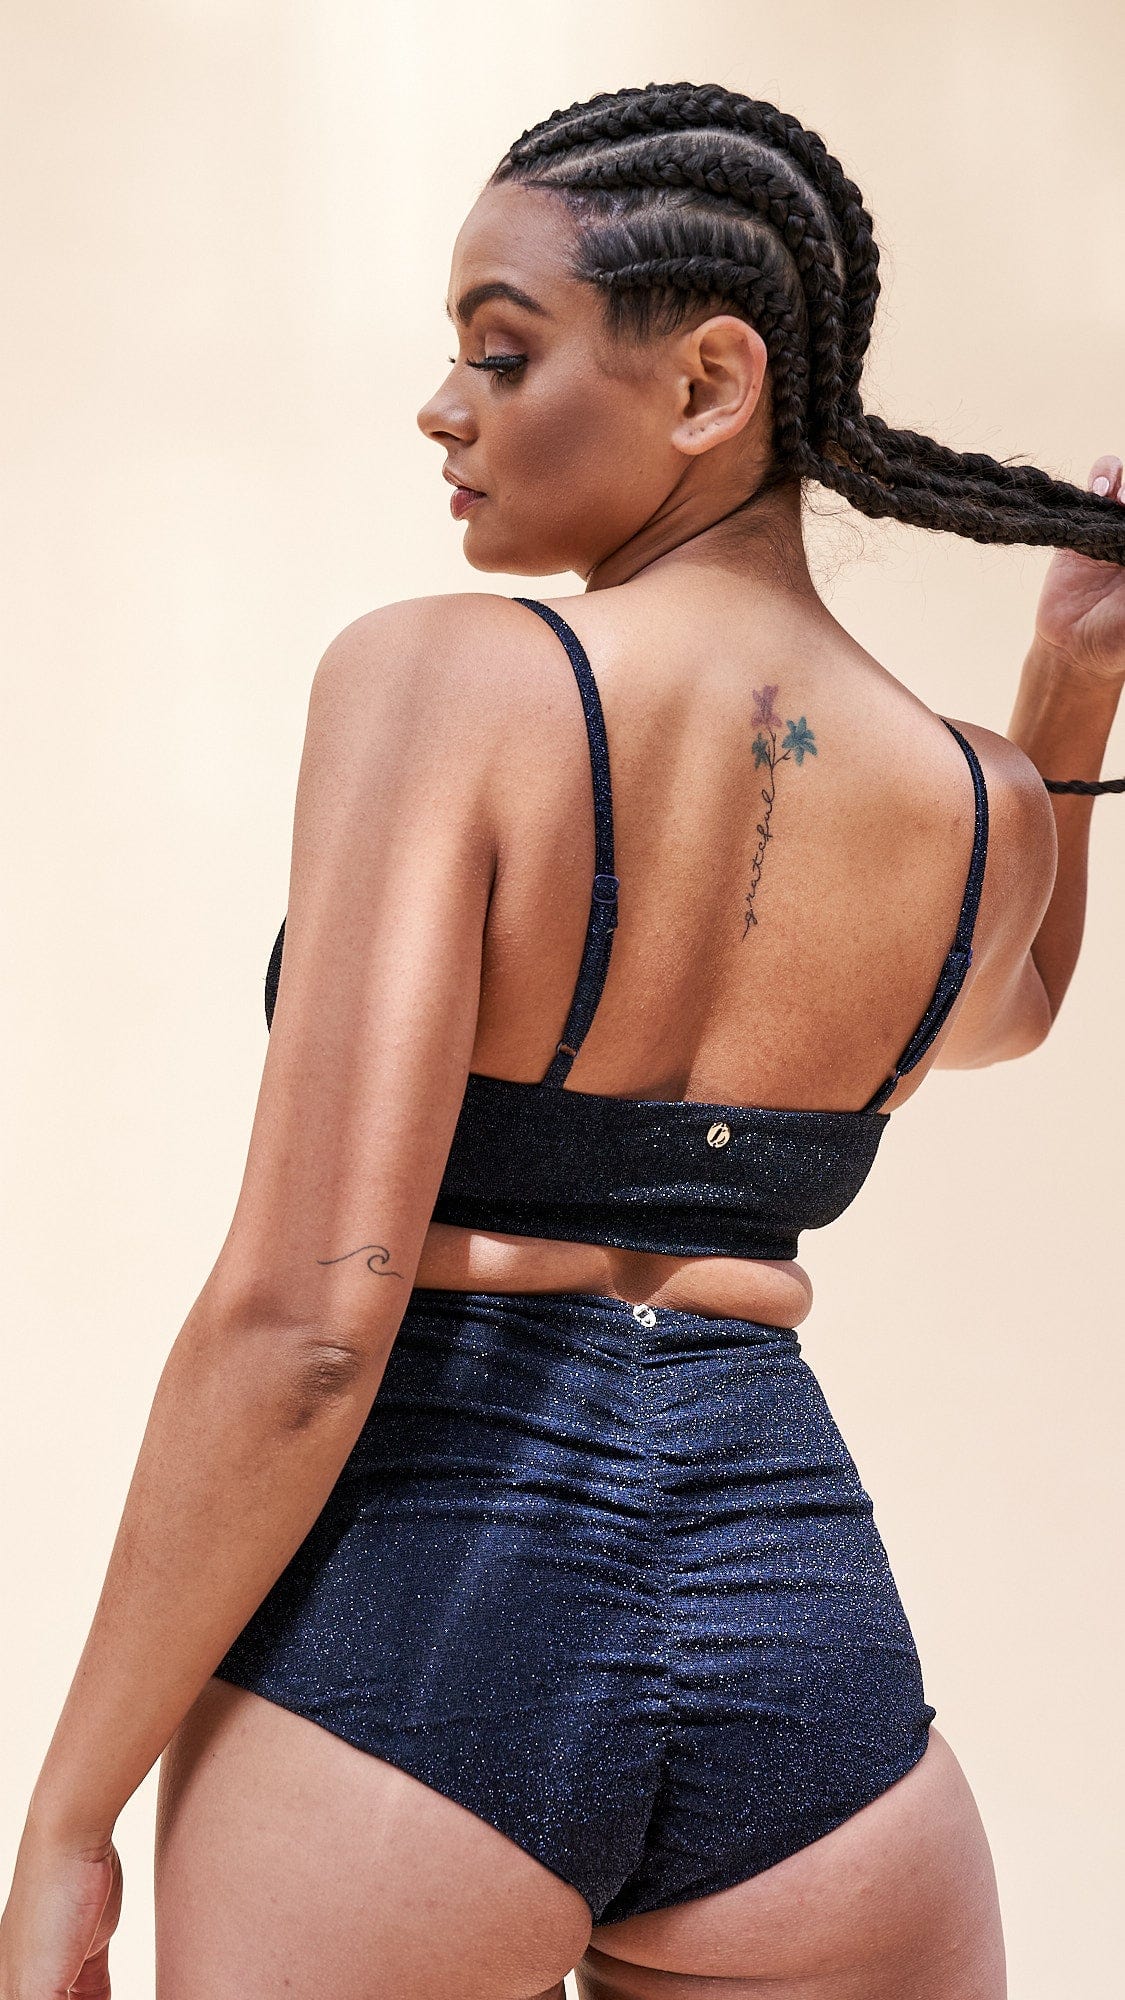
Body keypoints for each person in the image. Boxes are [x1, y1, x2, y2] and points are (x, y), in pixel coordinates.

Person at [2, 78, 1124, 2000]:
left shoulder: (444, 683)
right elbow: (1002, 1008)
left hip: (425, 1630)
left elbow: (306, 1326)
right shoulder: (981, 800)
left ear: (707, 384)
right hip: (815, 1687)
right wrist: (1069, 689)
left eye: (499, 352)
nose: (442, 410)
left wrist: (66, 1819)